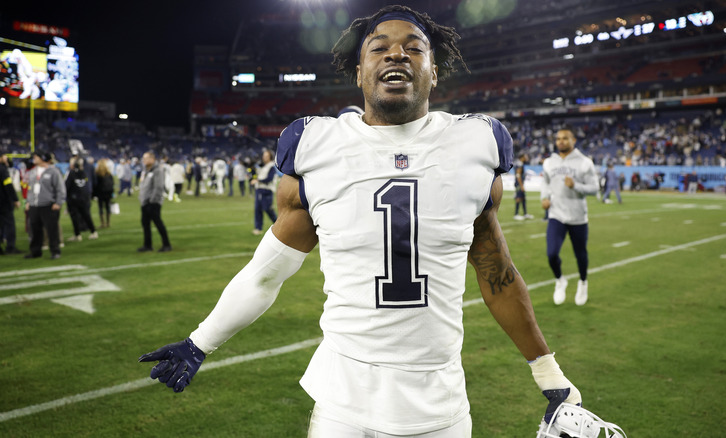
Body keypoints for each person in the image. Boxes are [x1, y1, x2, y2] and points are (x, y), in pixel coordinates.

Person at [140, 6, 582, 437]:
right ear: (358, 71)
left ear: (433, 71)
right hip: (342, 406)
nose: (396, 54)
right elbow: (265, 275)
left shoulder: (475, 145)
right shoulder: (318, 148)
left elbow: (497, 275)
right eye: (379, 47)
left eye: (414, 47)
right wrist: (200, 341)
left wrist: (549, 374)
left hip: (439, 405)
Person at [541, 127, 599, 306]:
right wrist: (544, 197)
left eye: (565, 138)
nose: (561, 141)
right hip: (556, 214)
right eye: (558, 138)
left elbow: (595, 188)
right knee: (551, 254)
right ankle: (560, 280)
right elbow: (546, 182)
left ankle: (583, 282)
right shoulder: (550, 162)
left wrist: (576, 186)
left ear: (573, 140)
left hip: (577, 216)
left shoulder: (584, 162)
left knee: (580, 254)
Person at [24, 151, 66, 259]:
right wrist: (29, 201)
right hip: (34, 205)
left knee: (52, 229)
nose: (33, 158)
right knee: (34, 229)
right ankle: (35, 252)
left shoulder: (53, 171)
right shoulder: (32, 172)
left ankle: (55, 251)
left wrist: (58, 202)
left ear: (42, 158)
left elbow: (60, 188)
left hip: (48, 205)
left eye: (36, 156)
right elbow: (30, 189)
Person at [137, 151, 171, 253]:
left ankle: (167, 244)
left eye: (146, 158)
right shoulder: (146, 170)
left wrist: (152, 200)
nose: (144, 160)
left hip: (153, 203)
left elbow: (158, 187)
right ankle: (147, 245)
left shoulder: (158, 170)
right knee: (145, 224)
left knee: (158, 223)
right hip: (145, 202)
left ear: (152, 159)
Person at [64, 156, 98, 242]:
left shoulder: (70, 173)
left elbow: (66, 187)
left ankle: (77, 235)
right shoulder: (83, 173)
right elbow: (86, 185)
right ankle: (93, 232)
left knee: (75, 217)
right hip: (84, 198)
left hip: (73, 199)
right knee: (87, 216)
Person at [251, 149, 278, 235]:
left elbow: (269, 179)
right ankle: (258, 228)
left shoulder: (271, 167)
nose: (264, 157)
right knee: (258, 209)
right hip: (259, 190)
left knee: (268, 209)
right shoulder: (263, 166)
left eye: (266, 156)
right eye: (264, 155)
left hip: (266, 190)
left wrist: (257, 180)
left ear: (270, 157)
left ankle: (278, 225)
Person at [0, 151, 22, 255]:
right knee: (9, 224)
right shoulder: (2, 169)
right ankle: (10, 247)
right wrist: (15, 199)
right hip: (4, 202)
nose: (6, 158)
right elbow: (8, 186)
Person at [94, 158, 114, 228]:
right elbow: (112, 183)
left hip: (100, 193)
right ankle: (108, 223)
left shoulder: (97, 174)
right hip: (108, 192)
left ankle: (103, 223)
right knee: (107, 207)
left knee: (101, 207)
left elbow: (95, 184)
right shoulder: (109, 173)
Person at [514, 154, 532, 220]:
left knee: (523, 198)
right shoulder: (520, 164)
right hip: (519, 184)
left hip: (519, 183)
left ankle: (525, 214)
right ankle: (516, 214)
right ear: (522, 157)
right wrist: (521, 186)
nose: (526, 157)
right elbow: (518, 175)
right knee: (518, 198)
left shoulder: (518, 163)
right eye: (525, 156)